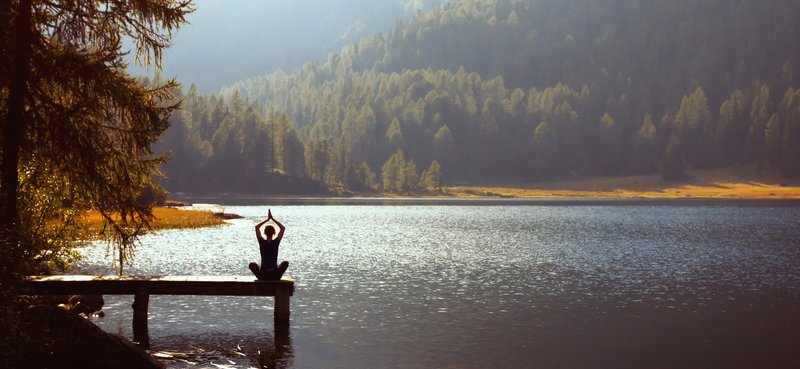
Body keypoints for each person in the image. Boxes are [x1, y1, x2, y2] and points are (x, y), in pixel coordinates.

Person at [249, 209, 289, 280]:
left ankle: (261, 278)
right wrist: (273, 219)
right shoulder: (276, 242)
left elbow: (257, 227)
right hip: (275, 275)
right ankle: (274, 276)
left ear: (264, 233)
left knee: (251, 265)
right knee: (285, 263)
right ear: (274, 233)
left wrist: (267, 220)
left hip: (263, 275)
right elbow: (282, 228)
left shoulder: (262, 242)